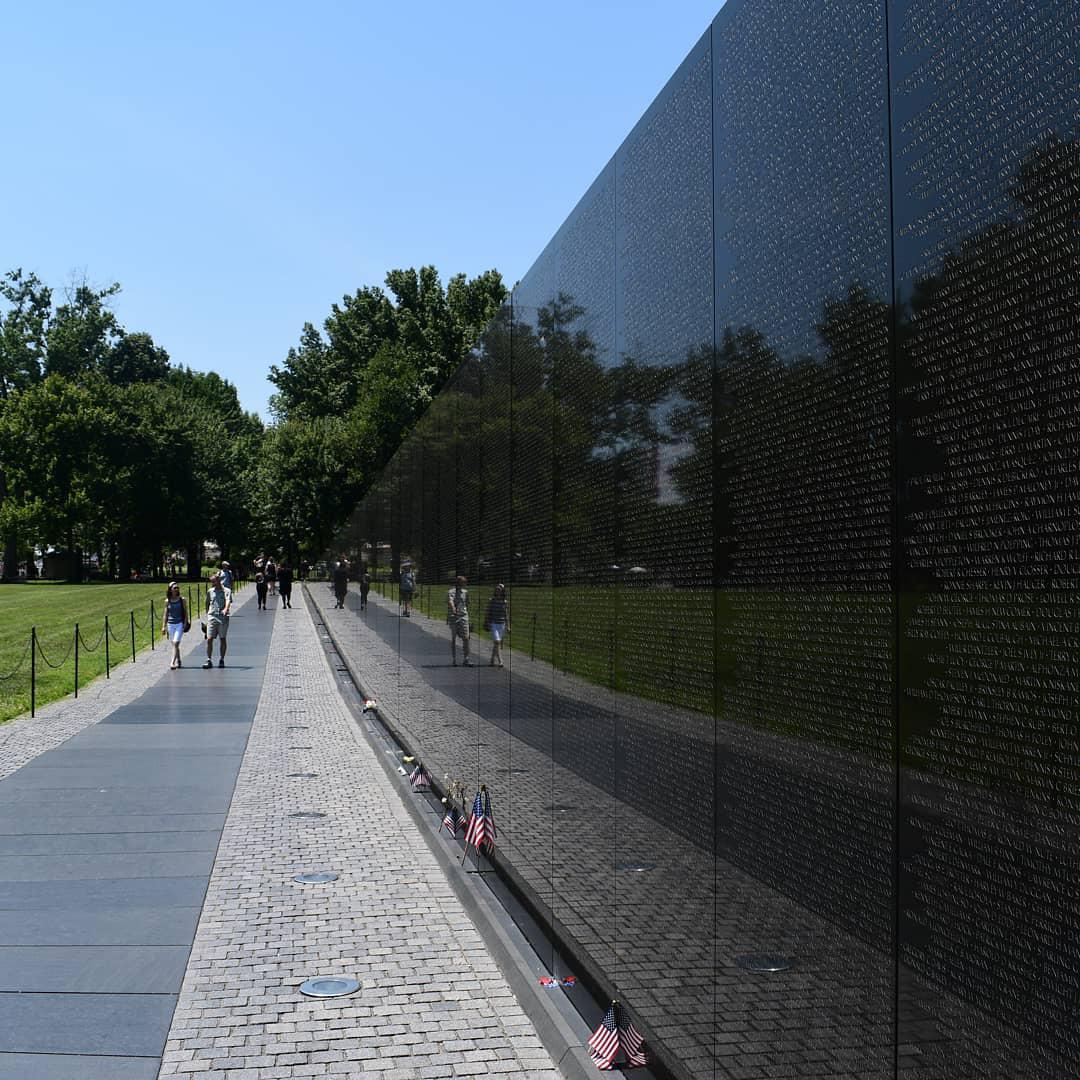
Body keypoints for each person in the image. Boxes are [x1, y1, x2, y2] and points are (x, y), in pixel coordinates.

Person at [203, 571, 232, 668]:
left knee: (222, 639)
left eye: (214, 581)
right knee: (209, 639)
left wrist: (225, 609)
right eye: (212, 582)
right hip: (212, 616)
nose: (213, 584)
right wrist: (208, 614)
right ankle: (209, 659)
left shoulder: (227, 591)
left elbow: (228, 601)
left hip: (223, 618)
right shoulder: (210, 591)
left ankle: (222, 659)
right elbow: (207, 603)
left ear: (219, 581)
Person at [160, 581, 190, 670]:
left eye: (177, 588)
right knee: (174, 644)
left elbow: (185, 612)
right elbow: (165, 614)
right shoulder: (167, 601)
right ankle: (179, 660)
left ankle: (172, 662)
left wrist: (185, 623)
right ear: (170, 590)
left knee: (175, 643)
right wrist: (163, 626)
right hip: (170, 624)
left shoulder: (182, 600)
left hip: (179, 624)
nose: (176, 589)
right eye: (174, 588)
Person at [447, 574, 472, 666]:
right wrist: (453, 609)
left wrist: (468, 617)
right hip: (454, 617)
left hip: (464, 616)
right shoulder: (451, 592)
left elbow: (467, 604)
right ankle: (454, 659)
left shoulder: (466, 592)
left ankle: (466, 658)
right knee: (453, 638)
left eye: (464, 583)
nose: (464, 584)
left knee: (466, 638)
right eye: (462, 582)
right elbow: (450, 601)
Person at [484, 583, 510, 668]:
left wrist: (508, 626)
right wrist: (487, 622)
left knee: (496, 643)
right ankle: (500, 661)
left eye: (499, 589)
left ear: (502, 591)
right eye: (497, 589)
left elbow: (506, 615)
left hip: (501, 624)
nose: (498, 591)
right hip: (494, 624)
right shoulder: (491, 600)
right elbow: (487, 612)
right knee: (497, 642)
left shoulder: (505, 602)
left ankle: (492, 660)